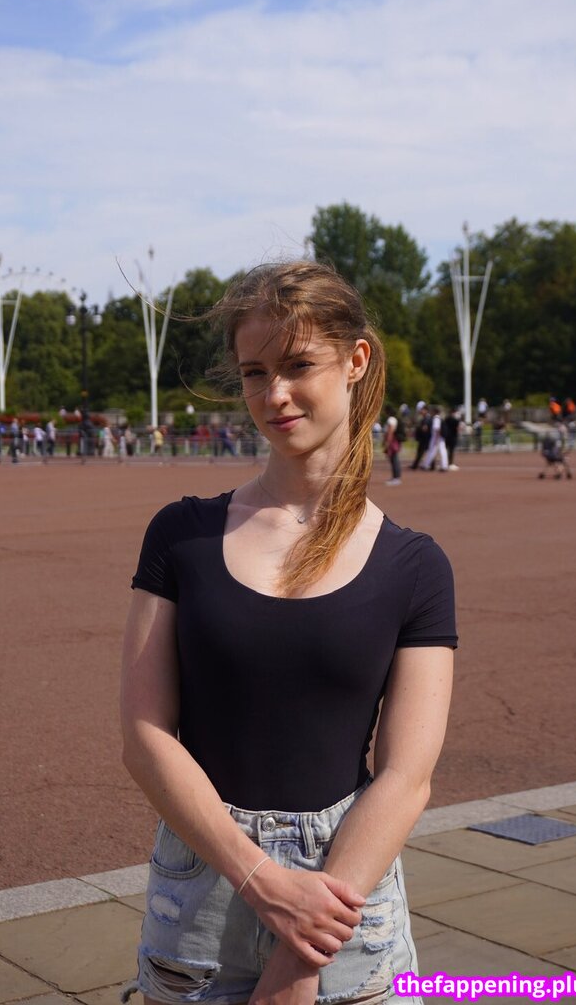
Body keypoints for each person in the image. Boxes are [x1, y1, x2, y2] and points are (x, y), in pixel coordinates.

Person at [120, 261, 457, 1005]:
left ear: (356, 360)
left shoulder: (415, 566)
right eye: (254, 372)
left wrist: (303, 949)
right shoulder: (181, 535)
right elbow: (144, 736)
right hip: (202, 898)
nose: (273, 394)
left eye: (298, 365)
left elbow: (406, 776)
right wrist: (263, 882)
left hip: (348, 899)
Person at [421, 407, 449, 472]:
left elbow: (437, 429)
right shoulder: (439, 418)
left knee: (431, 451)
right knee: (443, 451)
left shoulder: (436, 419)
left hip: (436, 437)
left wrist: (436, 439)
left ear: (434, 412)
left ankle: (426, 465)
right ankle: (444, 466)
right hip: (440, 437)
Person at [382, 404, 403, 485]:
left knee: (394, 459)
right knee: (394, 459)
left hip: (392, 441)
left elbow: (390, 431)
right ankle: (395, 477)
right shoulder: (393, 419)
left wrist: (387, 442)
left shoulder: (391, 419)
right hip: (393, 440)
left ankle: (396, 478)